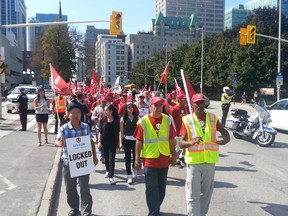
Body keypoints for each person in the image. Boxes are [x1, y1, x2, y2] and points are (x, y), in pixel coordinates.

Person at [179, 93, 230, 216]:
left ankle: (202, 214)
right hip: (194, 163)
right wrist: (191, 141)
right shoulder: (187, 120)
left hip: (209, 162)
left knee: (206, 193)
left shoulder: (213, 117)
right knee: (192, 194)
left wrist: (226, 138)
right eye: (198, 103)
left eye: (202, 102)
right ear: (192, 104)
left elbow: (223, 131)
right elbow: (180, 143)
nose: (200, 105)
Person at [134, 97, 177, 216]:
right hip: (149, 159)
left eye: (160, 105)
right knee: (152, 189)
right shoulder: (143, 121)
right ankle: (153, 212)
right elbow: (138, 142)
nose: (158, 108)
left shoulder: (167, 120)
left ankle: (155, 208)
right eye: (156, 105)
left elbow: (171, 139)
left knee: (161, 189)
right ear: (150, 106)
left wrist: (174, 155)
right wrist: (137, 159)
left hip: (164, 159)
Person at [55, 102, 98, 216]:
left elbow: (90, 141)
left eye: (78, 112)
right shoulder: (64, 128)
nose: (75, 115)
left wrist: (94, 156)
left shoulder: (85, 127)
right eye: (73, 112)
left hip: (83, 163)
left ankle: (86, 211)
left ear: (81, 114)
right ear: (68, 115)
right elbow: (57, 141)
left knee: (84, 188)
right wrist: (60, 143)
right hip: (68, 163)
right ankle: (74, 209)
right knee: (71, 189)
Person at [98, 104, 120, 185]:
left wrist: (119, 143)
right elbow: (100, 131)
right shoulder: (102, 120)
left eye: (106, 110)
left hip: (113, 142)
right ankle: (107, 171)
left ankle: (111, 177)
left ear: (111, 111)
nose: (105, 111)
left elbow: (119, 132)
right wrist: (99, 142)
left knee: (111, 159)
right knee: (106, 158)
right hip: (104, 142)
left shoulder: (116, 120)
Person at [119, 100, 139, 184]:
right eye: (129, 107)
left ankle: (134, 169)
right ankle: (129, 175)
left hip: (135, 140)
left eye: (132, 107)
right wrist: (120, 142)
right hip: (127, 140)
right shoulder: (123, 119)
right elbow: (121, 131)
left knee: (135, 157)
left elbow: (140, 130)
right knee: (127, 158)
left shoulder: (137, 118)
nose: (131, 108)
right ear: (126, 108)